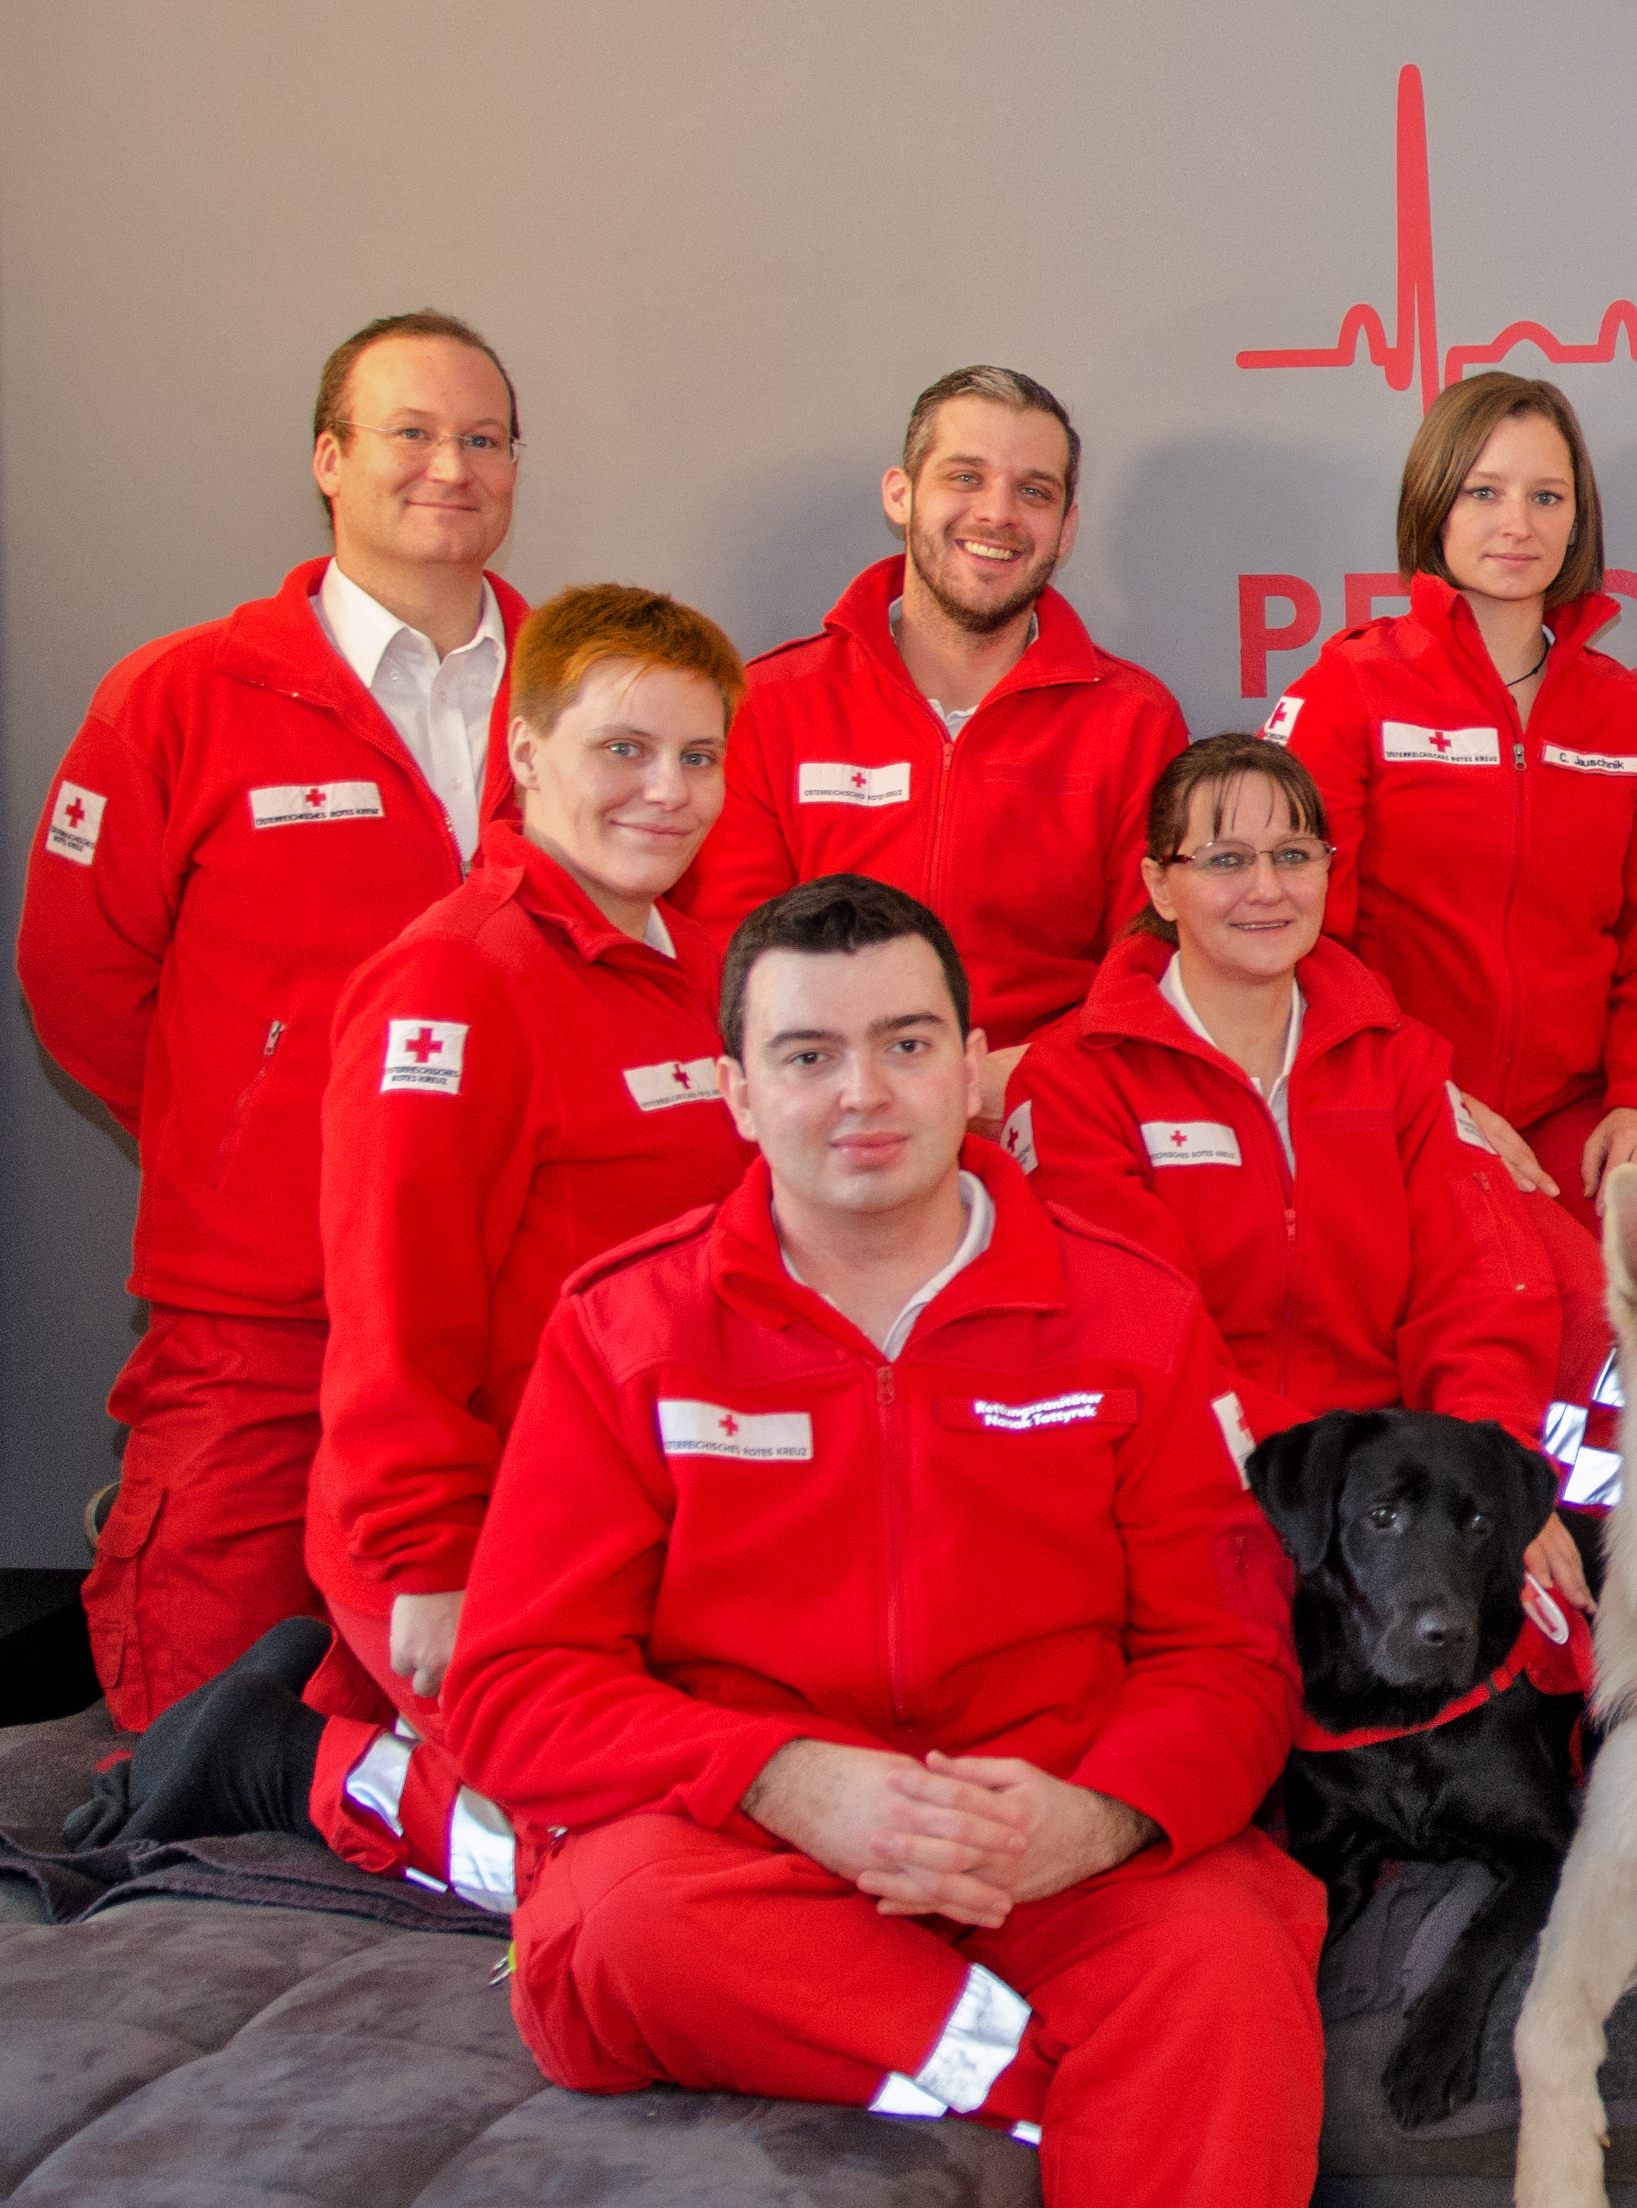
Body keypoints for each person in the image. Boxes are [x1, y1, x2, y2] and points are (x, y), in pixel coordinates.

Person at [449, 876, 1318, 2205]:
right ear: (734, 1091)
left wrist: (1097, 1819)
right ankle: (1042, 2077)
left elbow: (1232, 1654)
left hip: (1049, 1838)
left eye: (907, 1044)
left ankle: (999, 2053)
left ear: (972, 1069)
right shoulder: (624, 1330)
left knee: (1228, 1963)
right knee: (617, 1928)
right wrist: (788, 1781)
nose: (864, 1091)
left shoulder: (1133, 1310)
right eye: (808, 1055)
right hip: (751, 1854)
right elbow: (515, 1689)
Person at [60, 588, 759, 1899]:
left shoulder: (711, 964)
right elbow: (391, 1313)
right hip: (491, 1543)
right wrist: (426, 1572)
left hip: (668, 1525)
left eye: (699, 755)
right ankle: (313, 1763)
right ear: (529, 753)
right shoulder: (454, 981)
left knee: (793, 1803)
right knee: (621, 1874)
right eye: (625, 750)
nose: (667, 790)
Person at [19, 309, 530, 1728]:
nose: (451, 467)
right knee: (200, 1709)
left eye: (483, 438)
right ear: (330, 458)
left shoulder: (593, 694)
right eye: (411, 433)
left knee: (510, 1709)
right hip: (261, 1306)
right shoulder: (180, 698)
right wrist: (242, 1129)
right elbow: (80, 984)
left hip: (518, 1308)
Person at [1006, 732, 1609, 1572]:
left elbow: (1481, 1294)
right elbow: (1136, 1341)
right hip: (1179, 1498)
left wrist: (1482, 1474)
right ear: (1160, 886)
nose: (1266, 889)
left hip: (1405, 1500)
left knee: (1545, 1655)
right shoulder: (1075, 1080)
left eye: (1293, 854)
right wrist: (1347, 1486)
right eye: (1224, 860)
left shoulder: (1400, 1063)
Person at [1268, 372, 1637, 1244]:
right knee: (1512, 1301)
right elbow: (1299, 945)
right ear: (1436, 505)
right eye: (1485, 491)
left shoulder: (1629, 719)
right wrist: (1428, 1095)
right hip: (1400, 1107)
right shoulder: (1350, 692)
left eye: (1545, 496)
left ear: (1575, 521)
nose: (1518, 524)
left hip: (1579, 1117)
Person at [676, 364, 1190, 1074]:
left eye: (1033, 491)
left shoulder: (1134, 721)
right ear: (902, 494)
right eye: (965, 478)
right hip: (828, 1110)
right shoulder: (773, 703)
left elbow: (1146, 964)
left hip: (1047, 1111)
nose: (998, 514)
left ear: (1065, 529)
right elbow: (731, 959)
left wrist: (1020, 1078)